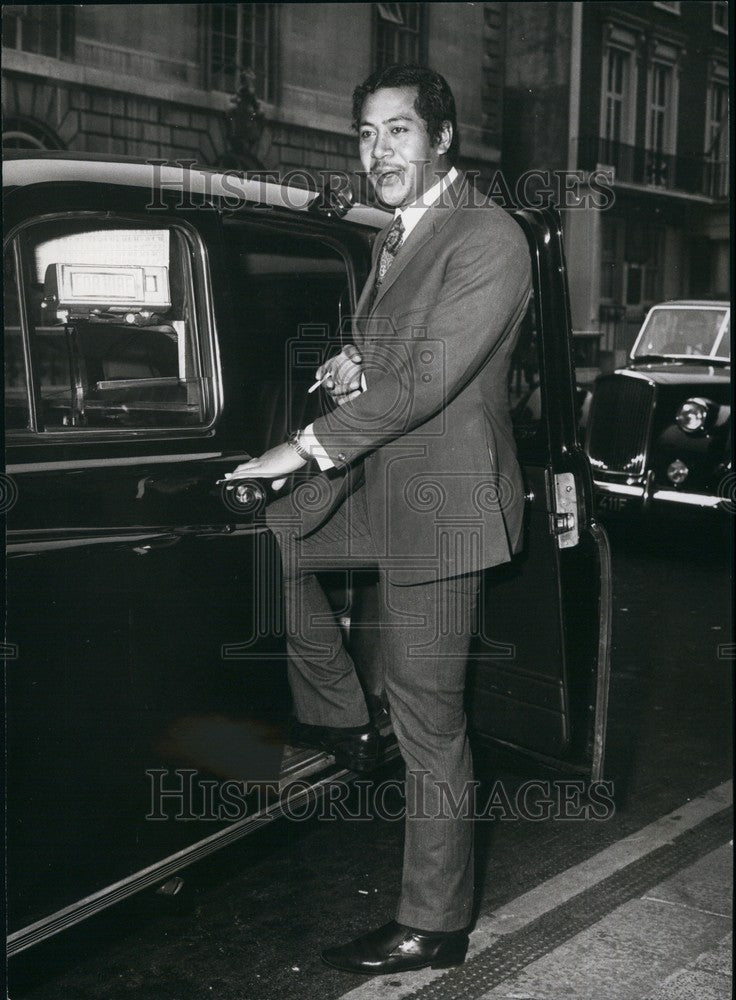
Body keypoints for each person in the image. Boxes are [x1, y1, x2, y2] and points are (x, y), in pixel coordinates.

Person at [227, 63, 532, 975]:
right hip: (387, 483)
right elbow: (397, 355)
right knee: (276, 534)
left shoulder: (489, 236)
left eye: (397, 131)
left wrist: (303, 445)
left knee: (433, 722)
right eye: (365, 134)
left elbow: (429, 380)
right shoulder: (398, 236)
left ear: (442, 138)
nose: (377, 151)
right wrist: (355, 357)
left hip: (443, 508)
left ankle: (432, 926)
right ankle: (347, 721)